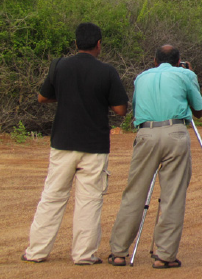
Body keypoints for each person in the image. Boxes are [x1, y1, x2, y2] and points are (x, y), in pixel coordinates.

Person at [22, 22, 129, 265]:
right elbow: (121, 110)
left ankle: (36, 251)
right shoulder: (107, 71)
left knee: (52, 196)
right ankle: (84, 254)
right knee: (89, 199)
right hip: (94, 145)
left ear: (75, 43)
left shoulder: (59, 66)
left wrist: (67, 94)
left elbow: (42, 97)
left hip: (62, 143)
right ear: (99, 44)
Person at [109, 44, 202, 269]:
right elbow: (199, 111)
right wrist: (190, 75)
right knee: (173, 194)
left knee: (134, 192)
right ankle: (164, 255)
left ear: (154, 61)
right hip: (175, 132)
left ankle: (119, 252)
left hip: (146, 133)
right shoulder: (186, 74)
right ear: (178, 60)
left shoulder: (141, 77)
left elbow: (135, 110)